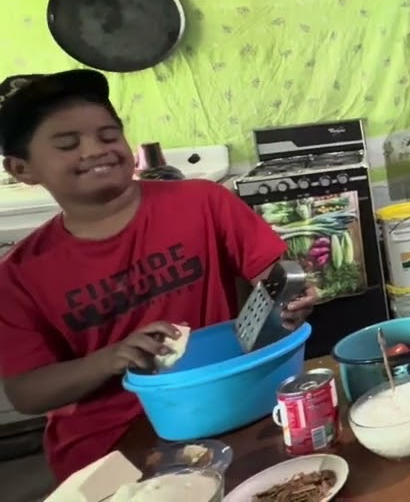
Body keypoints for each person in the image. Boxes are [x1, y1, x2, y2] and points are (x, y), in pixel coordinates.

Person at [0, 70, 319, 483]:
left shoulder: (203, 202)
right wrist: (109, 359)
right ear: (22, 169)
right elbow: (26, 392)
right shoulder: (20, 276)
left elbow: (274, 278)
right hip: (108, 450)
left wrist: (290, 303)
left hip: (226, 410)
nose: (96, 150)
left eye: (109, 135)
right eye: (68, 144)